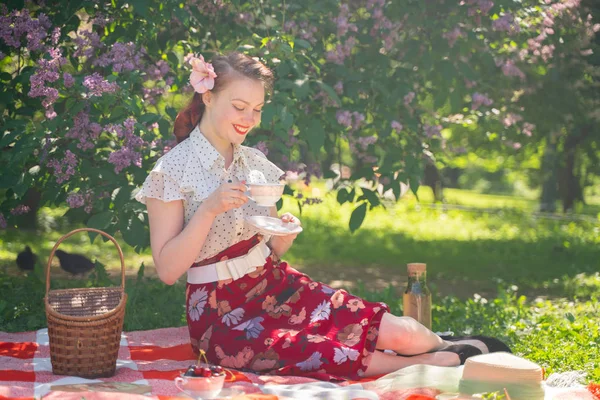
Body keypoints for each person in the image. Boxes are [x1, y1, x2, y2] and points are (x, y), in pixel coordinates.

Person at [135, 52, 510, 380]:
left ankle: (437, 344)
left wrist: (280, 239)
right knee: (319, 350)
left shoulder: (255, 164)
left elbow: (267, 247)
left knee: (405, 334)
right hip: (221, 317)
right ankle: (434, 363)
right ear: (208, 95)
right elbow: (168, 271)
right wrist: (208, 210)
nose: (249, 119)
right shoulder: (171, 171)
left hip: (274, 285)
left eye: (257, 109)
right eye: (239, 107)